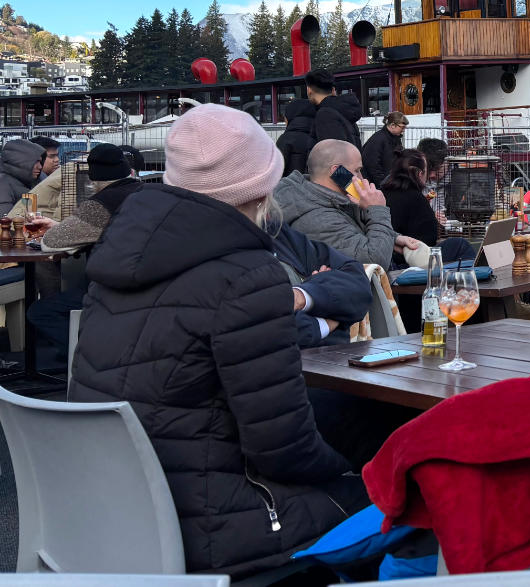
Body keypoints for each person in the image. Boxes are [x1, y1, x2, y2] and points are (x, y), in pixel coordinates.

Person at [70, 105, 364, 579]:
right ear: (262, 187)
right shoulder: (245, 276)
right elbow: (284, 450)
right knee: (402, 492)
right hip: (215, 527)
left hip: (116, 512)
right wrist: (353, 467)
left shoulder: (115, 261)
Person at [25, 144, 143, 371]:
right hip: (146, 282)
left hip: (110, 287)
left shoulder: (101, 203)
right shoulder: (144, 192)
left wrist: (56, 230)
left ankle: (83, 358)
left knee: (40, 312)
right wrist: (59, 225)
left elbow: (51, 243)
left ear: (93, 178)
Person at [274, 139, 419, 268]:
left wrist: (393, 238)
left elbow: (351, 235)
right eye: (357, 170)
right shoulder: (317, 218)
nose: (362, 178)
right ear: (337, 172)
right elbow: (374, 261)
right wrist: (378, 210)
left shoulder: (322, 198)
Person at [306, 68, 362, 146]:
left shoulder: (325, 115)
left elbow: (332, 151)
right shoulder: (344, 112)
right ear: (333, 90)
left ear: (309, 90)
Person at [360, 110, 406, 186]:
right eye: (402, 127)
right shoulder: (378, 140)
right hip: (378, 185)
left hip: (389, 182)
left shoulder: (395, 139)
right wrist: (383, 184)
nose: (404, 130)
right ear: (392, 125)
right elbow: (372, 165)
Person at [276, 97, 318, 176]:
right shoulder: (321, 136)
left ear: (289, 117)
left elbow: (276, 171)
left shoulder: (286, 139)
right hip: (317, 183)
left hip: (292, 183)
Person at [0, 138, 44, 209]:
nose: (40, 166)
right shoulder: (3, 184)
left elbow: (30, 211)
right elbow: (4, 214)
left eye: (40, 162)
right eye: (36, 161)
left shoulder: (27, 182)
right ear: (20, 161)